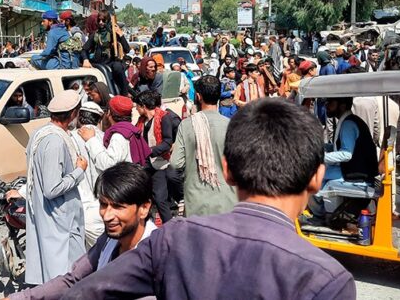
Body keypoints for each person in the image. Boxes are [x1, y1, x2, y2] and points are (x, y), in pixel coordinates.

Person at [61, 99, 356, 300]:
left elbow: (90, 290)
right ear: (317, 177)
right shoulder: (327, 279)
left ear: (227, 170)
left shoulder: (174, 238)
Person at [9, 162, 157, 300]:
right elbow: (73, 279)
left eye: (118, 207)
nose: (107, 215)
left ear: (144, 208)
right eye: (103, 205)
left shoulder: (156, 255)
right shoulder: (109, 240)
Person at [6, 90, 88, 285]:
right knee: (64, 274)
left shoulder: (41, 132)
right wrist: (79, 171)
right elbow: (52, 189)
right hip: (59, 218)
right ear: (72, 114)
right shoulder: (54, 141)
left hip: (52, 216)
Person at [172, 75, 236, 217]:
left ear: (198, 96)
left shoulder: (187, 125)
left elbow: (176, 163)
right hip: (228, 202)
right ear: (219, 95)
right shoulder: (231, 125)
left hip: (196, 202)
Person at [308, 97, 378, 222]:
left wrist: (319, 157)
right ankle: (321, 211)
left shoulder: (348, 124)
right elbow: (338, 146)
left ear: (342, 105)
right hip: (354, 169)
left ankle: (318, 216)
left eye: (331, 102)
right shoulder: (348, 121)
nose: (327, 106)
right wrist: (322, 147)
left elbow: (346, 154)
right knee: (321, 173)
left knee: (313, 177)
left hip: (356, 173)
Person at [136, 90, 181, 223]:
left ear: (143, 106)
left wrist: (150, 151)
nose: (136, 109)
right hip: (145, 164)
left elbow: (167, 142)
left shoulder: (164, 117)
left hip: (160, 163)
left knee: (160, 198)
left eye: (137, 106)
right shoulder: (141, 121)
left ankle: (169, 227)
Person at [79, 96, 149, 172]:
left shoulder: (119, 135)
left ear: (109, 113)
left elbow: (109, 164)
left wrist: (91, 140)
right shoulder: (129, 129)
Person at [69, 101, 105, 247]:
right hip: (103, 206)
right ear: (99, 120)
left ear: (78, 117)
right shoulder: (106, 138)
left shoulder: (68, 138)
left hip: (79, 207)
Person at [83, 11, 131, 95]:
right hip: (98, 64)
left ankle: (124, 95)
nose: (101, 23)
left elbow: (127, 49)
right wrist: (85, 60)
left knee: (118, 67)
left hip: (111, 63)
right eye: (99, 20)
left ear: (108, 20)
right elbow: (84, 50)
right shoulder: (95, 35)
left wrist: (121, 35)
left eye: (103, 20)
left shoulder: (113, 34)